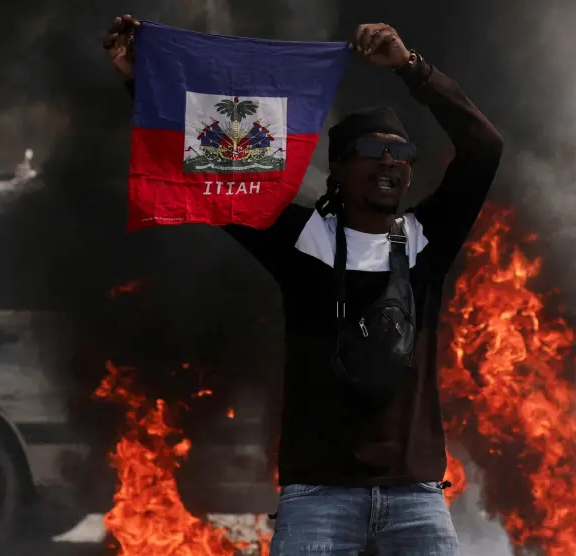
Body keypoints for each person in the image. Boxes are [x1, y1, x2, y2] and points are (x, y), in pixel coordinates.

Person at [104, 14, 503, 555]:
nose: (390, 162)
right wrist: (139, 81)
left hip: (416, 499)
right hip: (319, 500)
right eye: (373, 151)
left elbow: (483, 146)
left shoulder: (424, 241)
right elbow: (209, 168)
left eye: (401, 153)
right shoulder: (299, 238)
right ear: (337, 168)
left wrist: (411, 68)